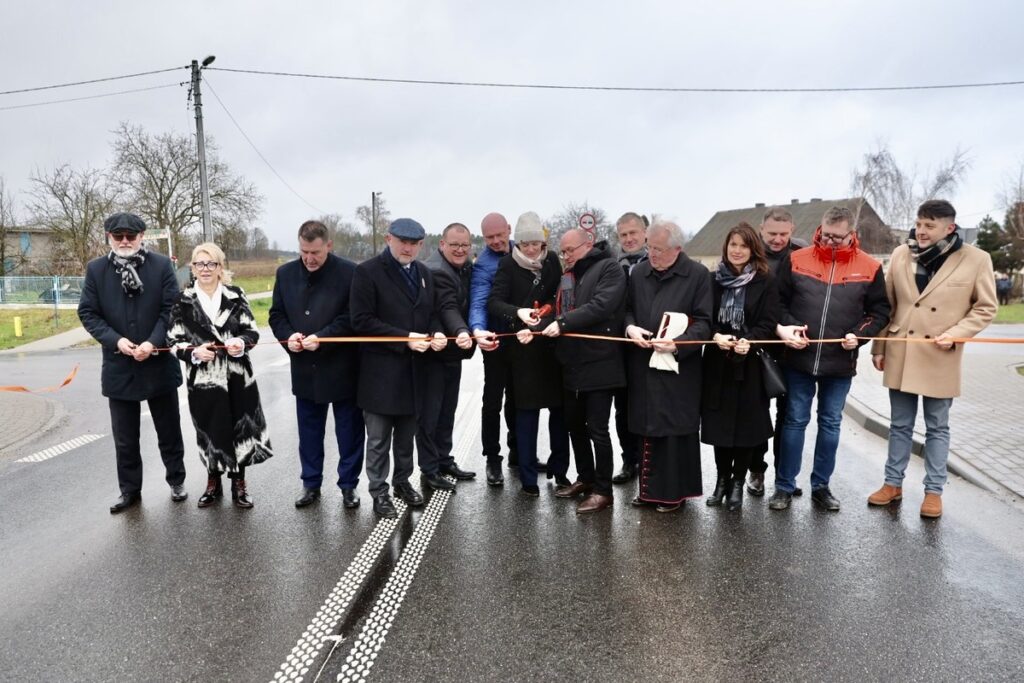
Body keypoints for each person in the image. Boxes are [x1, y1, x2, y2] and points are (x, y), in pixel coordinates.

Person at [868, 200, 997, 518]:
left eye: (930, 225)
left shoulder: (976, 259)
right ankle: (892, 484)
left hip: (941, 352)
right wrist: (879, 347)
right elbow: (889, 302)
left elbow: (985, 307)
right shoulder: (901, 254)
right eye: (919, 223)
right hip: (902, 350)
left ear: (949, 228)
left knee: (937, 427)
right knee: (899, 425)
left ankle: (933, 492)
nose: (921, 231)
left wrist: (958, 332)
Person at [770, 206, 891, 512]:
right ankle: (784, 486)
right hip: (799, 359)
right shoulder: (796, 259)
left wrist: (859, 336)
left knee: (830, 423)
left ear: (852, 234)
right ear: (820, 229)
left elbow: (879, 312)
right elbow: (777, 303)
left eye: (839, 237)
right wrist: (788, 328)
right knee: (795, 420)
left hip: (840, 362)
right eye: (827, 235)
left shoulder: (870, 267)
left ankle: (821, 486)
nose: (832, 241)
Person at [77, 212, 187, 513]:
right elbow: (88, 313)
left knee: (169, 430)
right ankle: (130, 491)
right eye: (118, 236)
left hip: (158, 363)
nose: (125, 241)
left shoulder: (162, 265)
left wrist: (153, 342)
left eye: (131, 236)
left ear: (142, 237)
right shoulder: (96, 270)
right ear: (109, 238)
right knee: (125, 439)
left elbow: (171, 309)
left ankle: (177, 480)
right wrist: (117, 342)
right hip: (119, 366)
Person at [351, 218, 445, 518]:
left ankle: (402, 482)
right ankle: (379, 493)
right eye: (402, 241)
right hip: (380, 376)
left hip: (415, 374)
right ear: (388, 239)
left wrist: (437, 333)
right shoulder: (367, 272)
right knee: (378, 442)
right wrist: (405, 339)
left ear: (421, 244)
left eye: (414, 243)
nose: (408, 248)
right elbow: (361, 321)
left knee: (406, 440)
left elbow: (430, 315)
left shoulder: (424, 274)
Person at [168, 243, 273, 508]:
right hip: (204, 380)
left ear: (220, 267)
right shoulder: (182, 300)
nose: (205, 269)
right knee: (208, 430)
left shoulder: (236, 295)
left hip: (237, 376)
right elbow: (172, 340)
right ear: (192, 268)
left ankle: (239, 483)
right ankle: (212, 480)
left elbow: (252, 331)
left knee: (239, 428)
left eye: (211, 264)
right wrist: (193, 352)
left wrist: (240, 342)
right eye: (199, 264)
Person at [270, 220, 365, 509]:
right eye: (303, 252)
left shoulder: (350, 272)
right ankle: (311, 484)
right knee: (309, 432)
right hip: (304, 367)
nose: (309, 259)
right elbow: (276, 316)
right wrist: (289, 337)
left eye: (316, 253)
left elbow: (352, 317)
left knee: (349, 431)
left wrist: (322, 338)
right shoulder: (285, 273)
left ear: (328, 246)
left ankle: (348, 486)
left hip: (342, 367)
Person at [624, 220, 712, 512]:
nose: (652, 254)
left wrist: (678, 344)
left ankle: (673, 493)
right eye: (650, 247)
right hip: (643, 364)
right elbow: (625, 309)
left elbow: (704, 323)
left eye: (659, 249)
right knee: (646, 427)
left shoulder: (697, 275)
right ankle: (648, 491)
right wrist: (630, 329)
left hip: (678, 369)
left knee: (673, 432)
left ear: (677, 248)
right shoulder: (638, 273)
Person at [542, 228, 627, 513]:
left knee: (597, 430)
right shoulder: (568, 276)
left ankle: (604, 491)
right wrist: (536, 329)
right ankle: (586, 478)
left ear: (588, 245)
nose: (565, 256)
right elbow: (557, 312)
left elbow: (601, 306)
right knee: (574, 426)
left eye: (570, 250)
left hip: (601, 364)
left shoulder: (609, 267)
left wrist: (564, 324)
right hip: (571, 362)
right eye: (563, 251)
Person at [487, 212, 571, 497]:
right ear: (518, 243)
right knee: (526, 415)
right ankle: (528, 479)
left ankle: (561, 472)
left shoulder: (552, 262)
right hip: (522, 352)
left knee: (559, 415)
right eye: (526, 244)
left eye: (536, 243)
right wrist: (518, 314)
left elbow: (559, 298)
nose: (532, 249)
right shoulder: (508, 265)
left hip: (550, 348)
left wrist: (546, 317)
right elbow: (494, 302)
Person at [701, 223, 779, 511]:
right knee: (720, 426)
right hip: (718, 362)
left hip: (750, 363)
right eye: (733, 244)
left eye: (743, 246)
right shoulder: (712, 280)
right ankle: (721, 480)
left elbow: (769, 323)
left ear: (753, 249)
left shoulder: (765, 280)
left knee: (746, 427)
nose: (737, 251)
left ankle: (737, 482)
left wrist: (751, 340)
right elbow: (703, 317)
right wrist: (715, 335)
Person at [747, 207, 805, 497]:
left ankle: (785, 475)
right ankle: (756, 470)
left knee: (789, 414)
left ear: (792, 230)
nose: (778, 239)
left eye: (784, 234)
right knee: (757, 413)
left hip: (793, 347)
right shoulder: (748, 253)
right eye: (772, 234)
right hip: (760, 344)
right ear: (761, 229)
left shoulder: (801, 254)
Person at [417, 223, 478, 488]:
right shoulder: (436, 271)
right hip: (434, 354)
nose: (460, 249)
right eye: (454, 245)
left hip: (452, 351)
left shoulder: (464, 267)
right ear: (442, 244)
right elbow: (447, 307)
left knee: (447, 410)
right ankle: (429, 470)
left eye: (464, 245)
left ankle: (444, 460)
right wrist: (463, 331)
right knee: (430, 414)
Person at [468, 212, 518, 485]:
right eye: (490, 238)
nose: (496, 241)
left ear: (509, 230)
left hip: (522, 340)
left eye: (500, 235)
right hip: (496, 339)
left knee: (519, 398)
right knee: (492, 400)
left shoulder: (523, 250)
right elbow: (478, 301)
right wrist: (478, 330)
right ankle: (492, 458)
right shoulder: (484, 265)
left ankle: (518, 452)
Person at [610, 212, 647, 485]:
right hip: (622, 347)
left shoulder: (656, 259)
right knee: (622, 409)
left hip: (651, 345)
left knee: (648, 406)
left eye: (633, 233)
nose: (629, 239)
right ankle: (629, 460)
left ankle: (649, 461)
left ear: (644, 233)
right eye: (624, 235)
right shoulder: (613, 265)